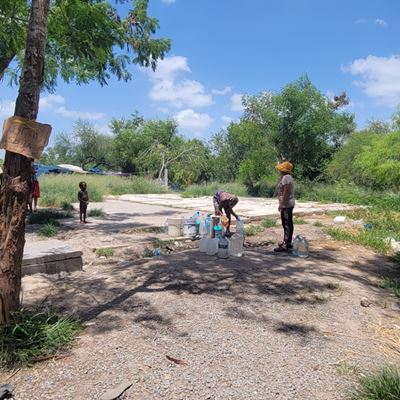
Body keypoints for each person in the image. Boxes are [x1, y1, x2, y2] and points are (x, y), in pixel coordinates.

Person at [274, 161, 295, 252]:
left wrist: (281, 204)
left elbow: (285, 192)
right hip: (289, 203)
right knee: (289, 223)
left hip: (286, 204)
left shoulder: (285, 178)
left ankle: (285, 245)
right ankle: (288, 242)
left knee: (286, 224)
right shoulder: (288, 177)